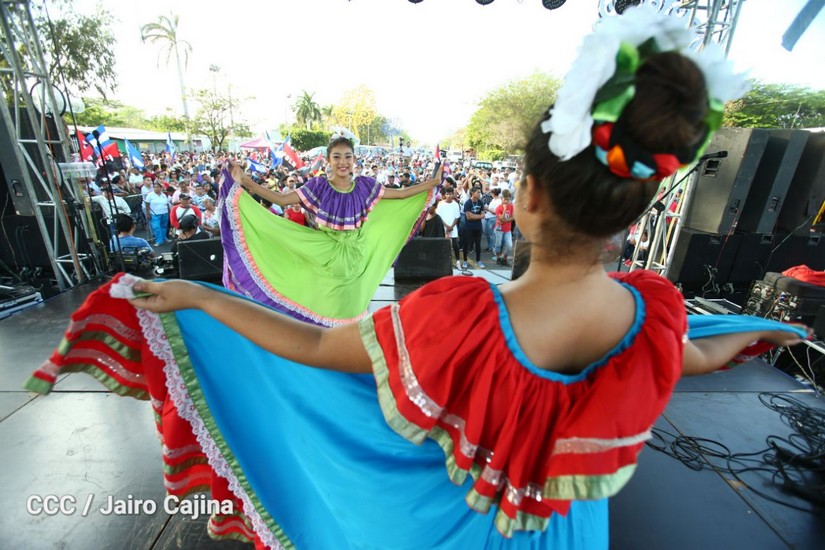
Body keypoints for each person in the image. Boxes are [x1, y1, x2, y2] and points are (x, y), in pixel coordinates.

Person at [28, 7, 805, 549]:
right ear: (632, 211)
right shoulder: (655, 319)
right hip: (573, 535)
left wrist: (201, 295)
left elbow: (315, 347)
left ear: (524, 199)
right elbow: (697, 356)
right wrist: (772, 327)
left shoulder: (459, 317)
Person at [221, 134, 442, 326]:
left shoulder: (365, 186)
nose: (342, 162)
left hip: (358, 257)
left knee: (353, 312)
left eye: (347, 156)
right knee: (326, 308)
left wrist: (433, 182)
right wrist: (245, 181)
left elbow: (402, 195)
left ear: (354, 160)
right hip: (326, 253)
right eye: (336, 157)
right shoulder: (318, 187)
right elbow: (281, 199)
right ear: (328, 160)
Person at [144, 181, 170, 246]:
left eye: (158, 187)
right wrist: (148, 213)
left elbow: (167, 204)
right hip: (155, 214)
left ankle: (164, 238)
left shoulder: (163, 195)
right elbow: (147, 205)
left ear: (161, 188)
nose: (156, 188)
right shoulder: (150, 195)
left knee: (164, 226)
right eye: (154, 187)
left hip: (164, 213)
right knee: (156, 227)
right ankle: (158, 240)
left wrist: (169, 212)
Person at [494, 188, 514, 266]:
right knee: (498, 245)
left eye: (508, 200)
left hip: (507, 229)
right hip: (499, 229)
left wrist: (505, 221)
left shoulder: (511, 206)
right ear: (501, 198)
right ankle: (499, 258)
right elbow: (501, 218)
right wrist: (505, 209)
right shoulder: (498, 208)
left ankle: (504, 258)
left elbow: (513, 217)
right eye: (505, 199)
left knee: (509, 245)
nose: (506, 201)